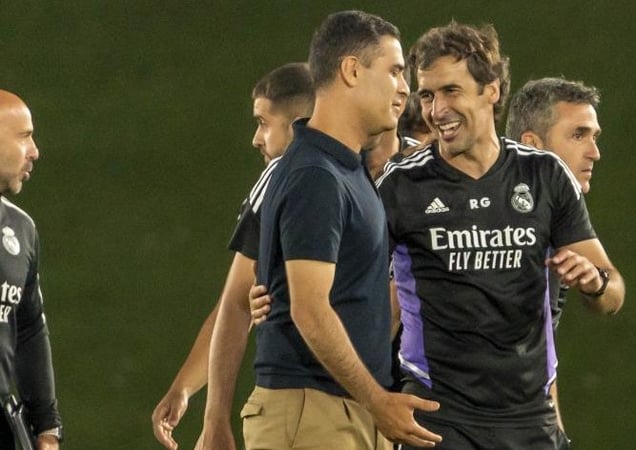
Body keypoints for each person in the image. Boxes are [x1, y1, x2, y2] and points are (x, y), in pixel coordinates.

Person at [375, 21, 625, 449]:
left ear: (491, 90)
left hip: (530, 419)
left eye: (451, 91)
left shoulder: (545, 175)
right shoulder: (400, 186)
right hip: (439, 418)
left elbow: (612, 292)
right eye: (427, 95)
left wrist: (595, 282)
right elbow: (360, 298)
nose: (436, 110)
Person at [202, 10, 441, 450]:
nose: (404, 88)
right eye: (393, 71)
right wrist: (377, 400)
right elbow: (309, 310)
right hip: (314, 412)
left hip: (340, 410)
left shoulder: (345, 168)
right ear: (351, 70)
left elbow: (347, 296)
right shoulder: (317, 175)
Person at [150, 63, 314, 450]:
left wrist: (213, 415)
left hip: (305, 397)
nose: (256, 139)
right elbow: (238, 301)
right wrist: (185, 388)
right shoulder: (378, 168)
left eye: (263, 123)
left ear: (298, 124)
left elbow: (238, 301)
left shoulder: (281, 174)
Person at [505, 76, 605, 447]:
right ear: (531, 145)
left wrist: (554, 434)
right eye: (578, 135)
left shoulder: (555, 219)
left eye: (594, 136)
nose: (594, 152)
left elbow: (535, 352)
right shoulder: (484, 218)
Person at [0, 89, 63, 449]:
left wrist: (46, 425)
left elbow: (28, 327)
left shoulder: (20, 229)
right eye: (24, 136)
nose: (35, 151)